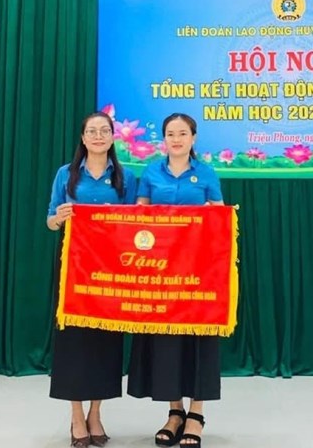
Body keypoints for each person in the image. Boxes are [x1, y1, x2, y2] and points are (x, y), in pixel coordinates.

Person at [128, 113, 223, 448]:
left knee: (198, 338)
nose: (177, 139)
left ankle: (196, 414)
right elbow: (140, 216)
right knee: (167, 341)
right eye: (171, 134)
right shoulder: (151, 172)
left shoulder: (207, 173)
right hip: (161, 273)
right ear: (163, 140)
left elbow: (219, 217)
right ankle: (174, 412)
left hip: (199, 271)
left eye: (183, 133)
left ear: (194, 138)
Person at [47, 111, 137, 447]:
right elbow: (50, 220)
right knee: (73, 339)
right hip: (73, 265)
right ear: (83, 138)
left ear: (113, 137)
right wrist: (59, 217)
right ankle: (75, 417)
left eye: (104, 130)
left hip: (112, 267)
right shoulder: (65, 175)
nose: (98, 136)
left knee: (104, 339)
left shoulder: (125, 177)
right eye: (91, 131)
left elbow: (133, 223)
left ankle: (96, 413)